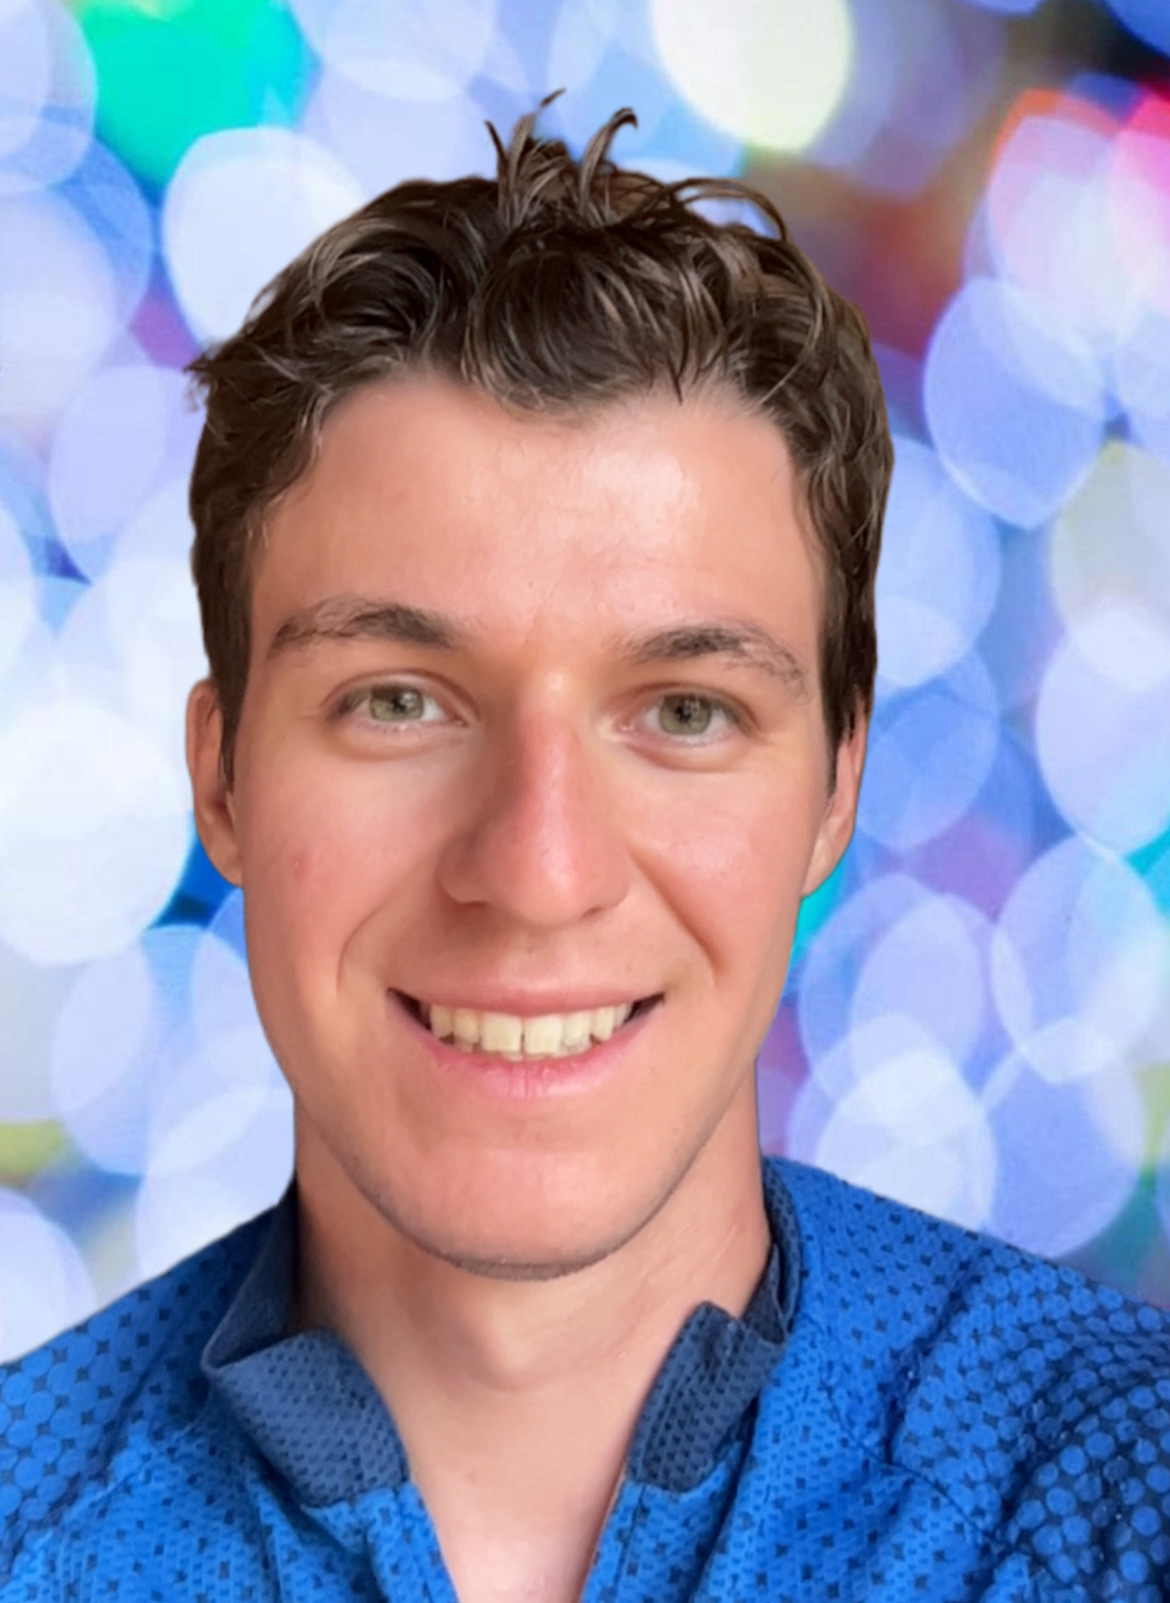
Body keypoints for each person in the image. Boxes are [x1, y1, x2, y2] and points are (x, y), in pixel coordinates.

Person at [3, 103, 1170, 1603]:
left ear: (836, 786)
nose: (539, 872)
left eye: (683, 710)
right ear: (221, 779)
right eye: (398, 702)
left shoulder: (1125, 1497)